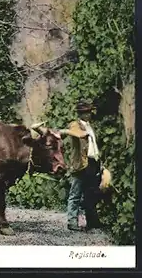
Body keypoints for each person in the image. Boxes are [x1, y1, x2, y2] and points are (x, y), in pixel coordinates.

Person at [60, 99, 103, 232]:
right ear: (80, 114)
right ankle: (72, 221)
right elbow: (73, 133)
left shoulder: (91, 126)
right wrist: (83, 134)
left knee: (91, 193)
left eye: (89, 112)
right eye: (85, 112)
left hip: (92, 162)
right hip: (81, 164)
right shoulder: (75, 125)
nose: (88, 114)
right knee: (75, 193)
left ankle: (92, 221)